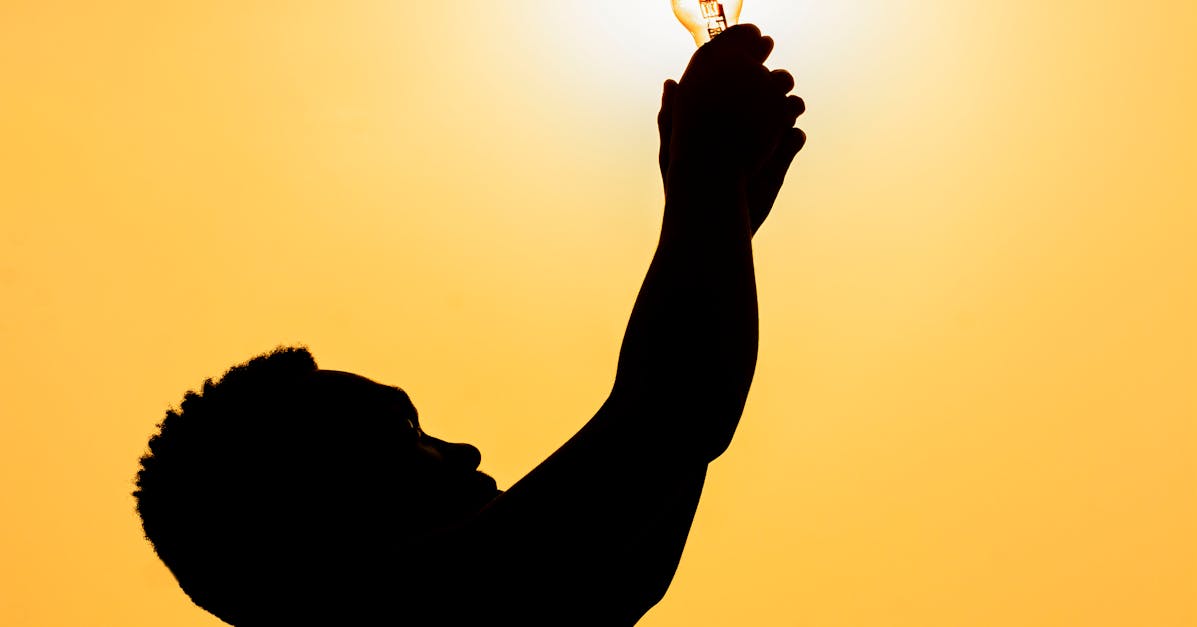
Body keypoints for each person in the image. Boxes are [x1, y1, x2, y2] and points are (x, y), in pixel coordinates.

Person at [134, 24, 805, 626]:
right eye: (403, 439)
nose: (465, 453)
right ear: (307, 511)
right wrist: (707, 178)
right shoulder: (400, 610)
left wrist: (719, 213)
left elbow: (638, 517)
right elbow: (670, 421)